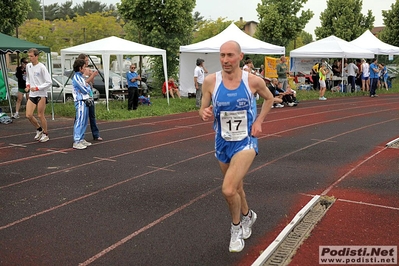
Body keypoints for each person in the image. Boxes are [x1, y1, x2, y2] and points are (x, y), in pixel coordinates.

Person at [199, 40, 274, 253]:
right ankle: (249, 215)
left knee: (228, 188)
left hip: (245, 141)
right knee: (238, 187)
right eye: (222, 55)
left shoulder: (253, 81)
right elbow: (202, 108)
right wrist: (203, 113)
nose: (225, 60)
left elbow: (269, 99)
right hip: (222, 141)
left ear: (240, 57)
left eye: (230, 55)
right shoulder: (211, 81)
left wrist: (259, 122)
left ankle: (236, 227)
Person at [25, 48, 52, 142]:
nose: (30, 58)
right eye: (29, 56)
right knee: (28, 115)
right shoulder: (28, 66)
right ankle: (39, 129)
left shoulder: (42, 67)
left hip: (41, 94)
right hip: (32, 94)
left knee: (40, 115)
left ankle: (45, 133)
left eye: (31, 56)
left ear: (37, 56)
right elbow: (28, 78)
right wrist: (28, 86)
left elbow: (49, 82)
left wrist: (37, 88)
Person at [77, 54, 102, 141]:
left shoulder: (88, 70)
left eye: (88, 60)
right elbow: (83, 83)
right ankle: (79, 135)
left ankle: (96, 134)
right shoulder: (80, 72)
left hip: (89, 95)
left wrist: (92, 76)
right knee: (81, 117)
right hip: (83, 97)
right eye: (86, 60)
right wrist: (91, 75)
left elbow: (91, 83)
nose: (87, 62)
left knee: (92, 115)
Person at [72, 59, 92, 150]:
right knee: (80, 120)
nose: (85, 69)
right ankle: (77, 140)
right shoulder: (76, 77)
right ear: (80, 68)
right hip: (80, 101)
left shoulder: (81, 77)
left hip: (85, 101)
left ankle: (81, 138)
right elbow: (84, 88)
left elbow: (87, 87)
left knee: (84, 121)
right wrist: (86, 89)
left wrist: (87, 88)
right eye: (84, 67)